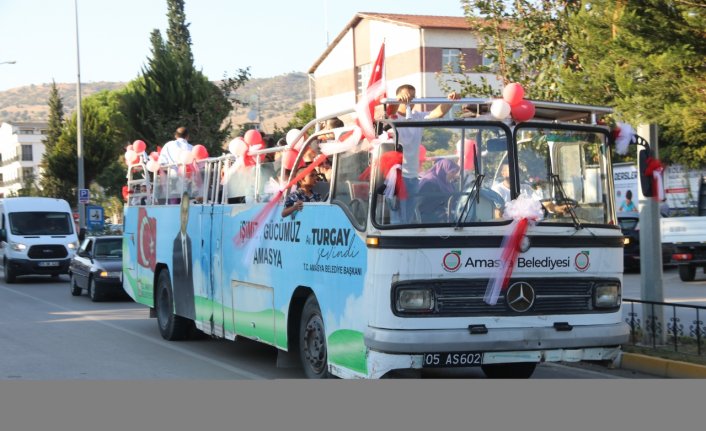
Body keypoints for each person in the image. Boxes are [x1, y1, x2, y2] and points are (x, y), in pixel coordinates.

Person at [383, 84, 461, 222]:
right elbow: (389, 112)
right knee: (397, 218)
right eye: (407, 96)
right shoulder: (393, 116)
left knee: (408, 216)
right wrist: (397, 101)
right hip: (397, 176)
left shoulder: (417, 116)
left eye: (413, 97)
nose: (410, 100)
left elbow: (437, 113)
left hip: (413, 175)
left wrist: (450, 101)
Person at [172, 191, 195, 319]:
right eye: (183, 212)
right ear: (180, 214)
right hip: (181, 303)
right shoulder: (176, 242)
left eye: (187, 212)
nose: (185, 216)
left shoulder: (190, 241)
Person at [418, 159, 460, 223]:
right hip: (428, 216)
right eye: (452, 172)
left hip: (444, 212)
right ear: (444, 170)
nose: (454, 175)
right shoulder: (429, 183)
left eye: (455, 173)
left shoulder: (448, 183)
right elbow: (425, 205)